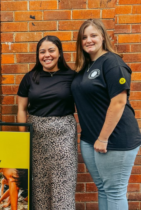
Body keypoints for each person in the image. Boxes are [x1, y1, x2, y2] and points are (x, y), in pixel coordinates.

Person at [71, 19, 141, 210]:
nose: (89, 40)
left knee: (115, 190)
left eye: (93, 35)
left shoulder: (112, 62)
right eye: (84, 37)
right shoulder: (85, 66)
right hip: (91, 138)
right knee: (103, 189)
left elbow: (119, 102)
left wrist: (103, 138)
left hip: (114, 139)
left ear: (103, 37)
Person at [17, 35, 77, 209]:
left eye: (51, 50)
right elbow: (21, 109)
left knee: (63, 184)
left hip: (63, 136)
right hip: (36, 137)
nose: (46, 55)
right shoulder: (30, 77)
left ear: (59, 53)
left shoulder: (72, 76)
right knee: (39, 185)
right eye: (42, 52)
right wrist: (23, 138)